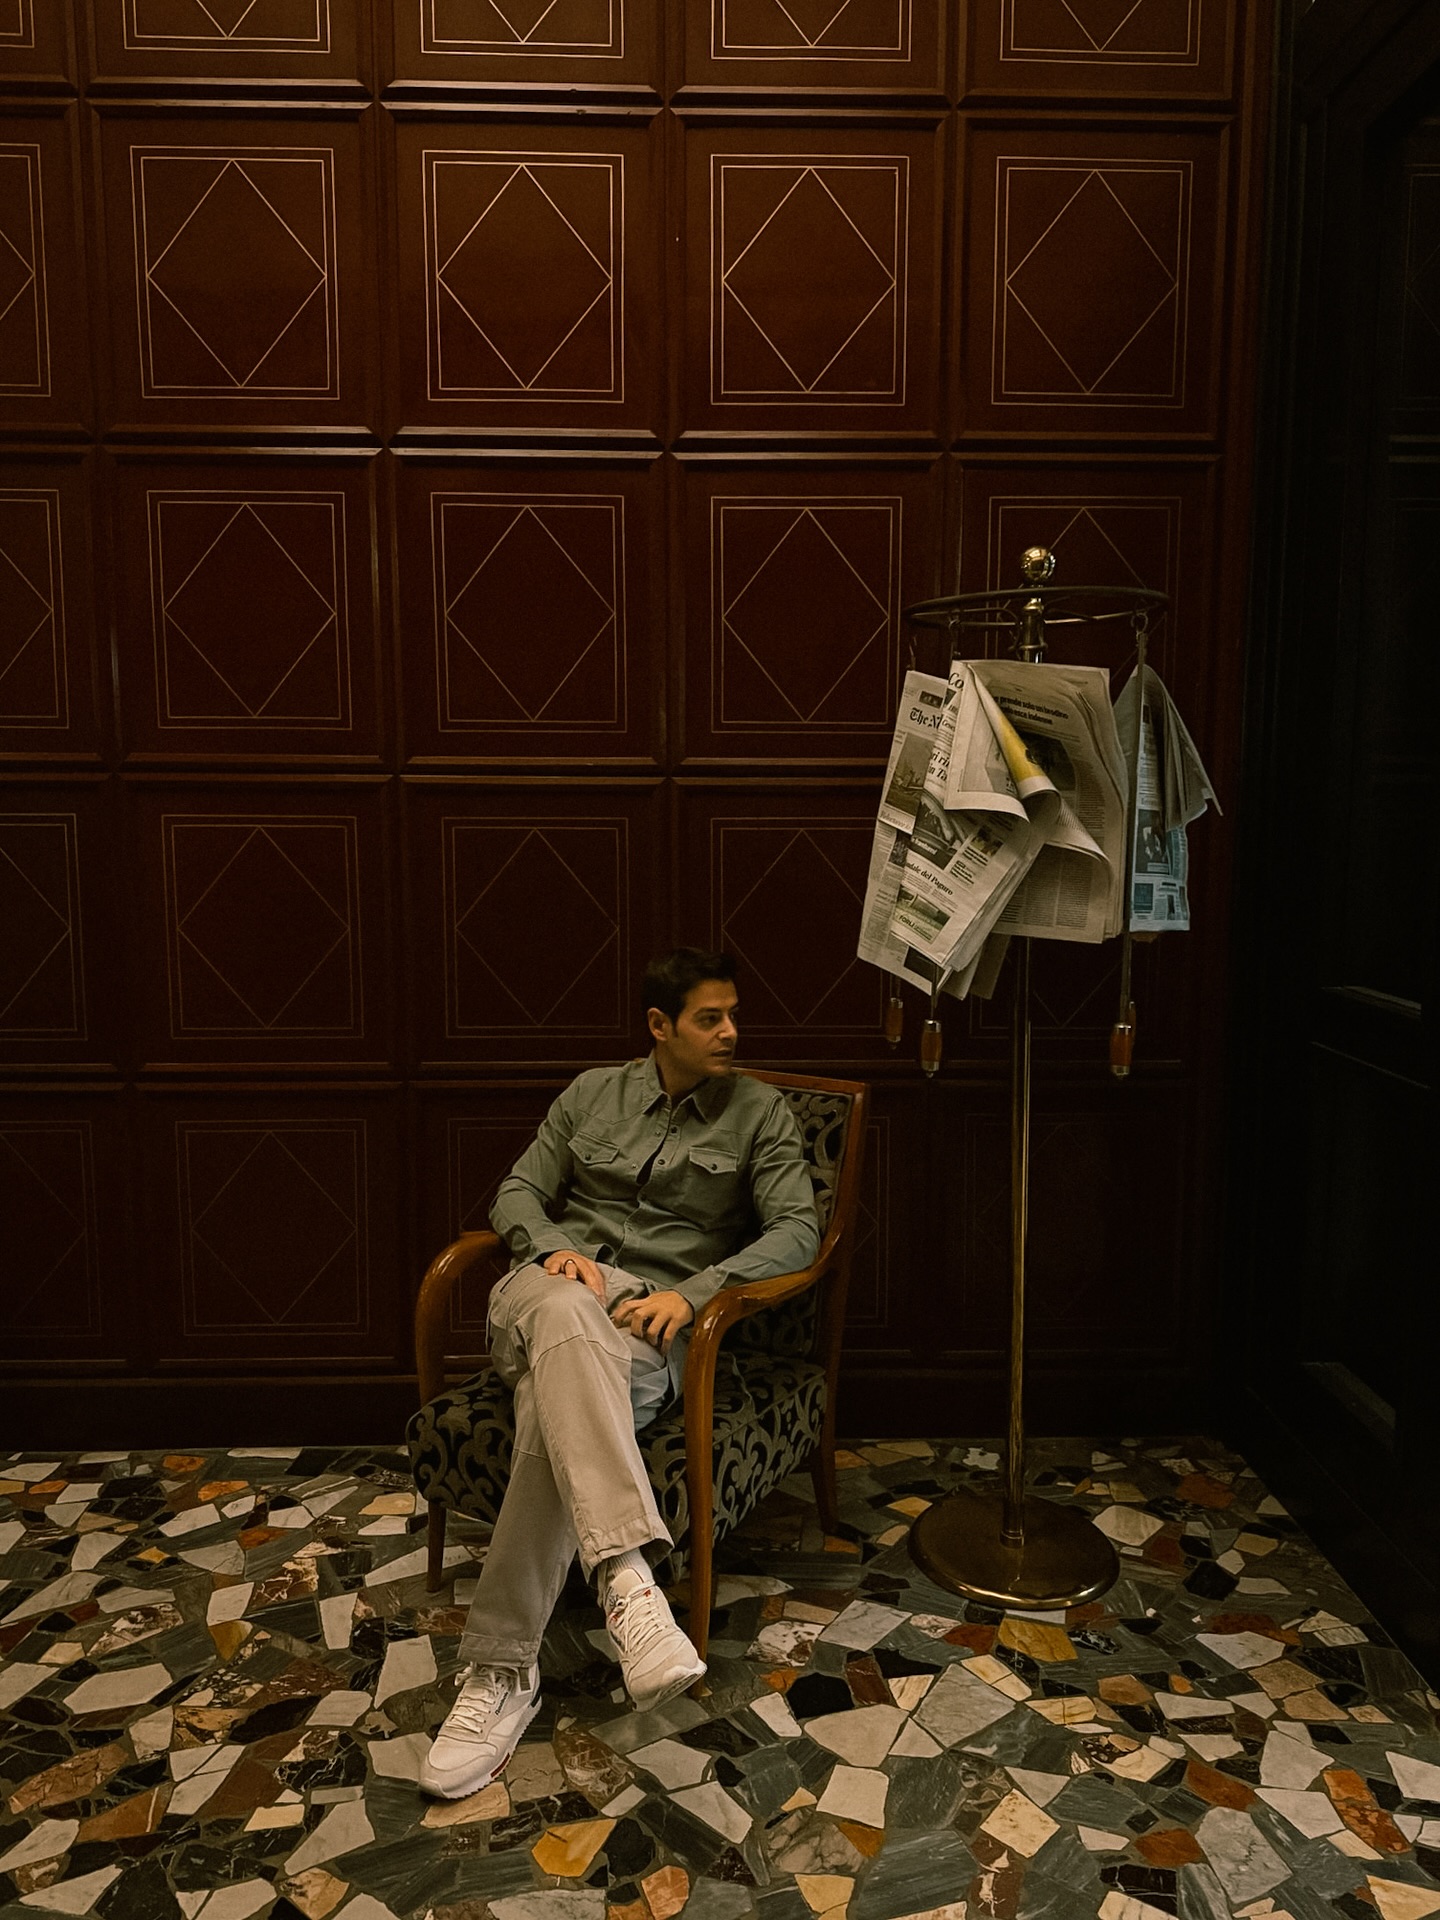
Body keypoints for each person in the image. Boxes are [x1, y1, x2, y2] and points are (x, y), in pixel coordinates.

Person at [419, 948, 820, 1799]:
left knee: (555, 1403)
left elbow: (797, 1232)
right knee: (567, 1315)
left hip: (644, 1326)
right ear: (659, 1026)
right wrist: (554, 1251)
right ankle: (629, 1581)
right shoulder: (591, 1093)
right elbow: (516, 1192)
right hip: (542, 1295)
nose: (731, 1032)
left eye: (734, 1015)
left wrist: (693, 1293)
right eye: (710, 1018)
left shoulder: (759, 1112)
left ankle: (501, 1670)